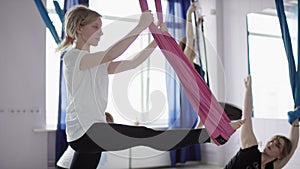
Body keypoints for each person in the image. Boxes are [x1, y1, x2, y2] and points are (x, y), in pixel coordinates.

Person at [56, 5, 244, 169]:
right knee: (147, 135)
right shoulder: (73, 57)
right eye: (95, 27)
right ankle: (207, 136)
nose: (101, 32)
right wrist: (139, 26)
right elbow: (110, 54)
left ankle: (207, 136)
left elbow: (132, 62)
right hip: (86, 132)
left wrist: (157, 40)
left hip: (90, 133)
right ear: (79, 29)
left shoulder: (96, 62)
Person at [224, 75, 299, 169]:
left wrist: (296, 119)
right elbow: (246, 116)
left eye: (277, 145)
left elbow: (293, 146)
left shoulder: (272, 167)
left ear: (280, 155)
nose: (271, 144)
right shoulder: (250, 149)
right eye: (272, 140)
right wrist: (248, 90)